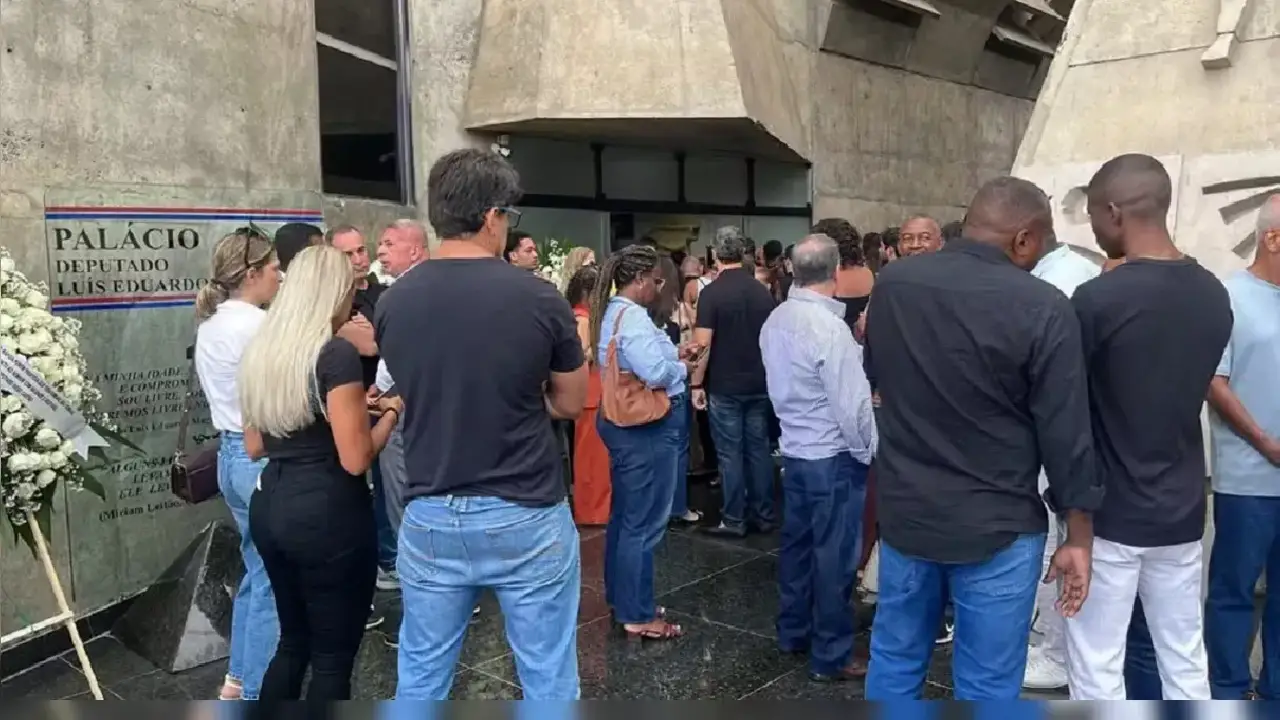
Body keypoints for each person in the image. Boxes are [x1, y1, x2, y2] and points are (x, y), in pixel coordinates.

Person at [864, 176, 1101, 701]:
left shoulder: (895, 285)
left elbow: (878, 375)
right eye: (1043, 242)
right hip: (1000, 526)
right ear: (1023, 238)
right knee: (989, 682)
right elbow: (1066, 432)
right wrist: (1078, 533)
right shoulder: (1043, 306)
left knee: (896, 660)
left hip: (907, 515)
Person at [377, 149, 587, 699]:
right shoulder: (539, 298)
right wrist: (519, 393)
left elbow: (417, 384)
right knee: (546, 674)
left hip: (429, 511)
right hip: (525, 508)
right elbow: (570, 402)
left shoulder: (394, 303)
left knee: (421, 677)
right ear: (493, 216)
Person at [1063, 153, 1231, 700]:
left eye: (1092, 216)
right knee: (1184, 657)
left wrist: (1075, 522)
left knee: (1096, 665)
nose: (1093, 227)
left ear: (1113, 211)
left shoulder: (1096, 300)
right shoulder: (1213, 294)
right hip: (1181, 510)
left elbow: (1074, 415)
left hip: (1109, 514)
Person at [238, 245, 402, 701]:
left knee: (292, 642)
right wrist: (389, 414)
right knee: (332, 658)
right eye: (350, 288)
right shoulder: (335, 355)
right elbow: (355, 458)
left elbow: (255, 444)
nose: (354, 300)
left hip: (270, 503)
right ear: (333, 293)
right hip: (328, 512)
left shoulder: (263, 350)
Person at [760, 234, 877, 683]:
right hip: (833, 456)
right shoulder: (830, 329)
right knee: (835, 558)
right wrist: (867, 450)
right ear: (837, 274)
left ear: (792, 269)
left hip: (795, 449)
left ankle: (793, 631)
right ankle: (831, 653)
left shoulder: (777, 319)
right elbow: (852, 407)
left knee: (797, 548)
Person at [193, 228, 281, 701]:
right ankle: (255, 692)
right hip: (259, 457)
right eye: (272, 268)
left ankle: (239, 678)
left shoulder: (210, 322)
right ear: (251, 274)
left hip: (231, 454)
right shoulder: (256, 325)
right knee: (273, 581)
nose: (279, 276)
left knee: (257, 571)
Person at [589, 244, 690, 640]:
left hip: (619, 421)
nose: (659, 288)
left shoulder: (612, 311)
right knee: (644, 523)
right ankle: (637, 612)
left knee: (626, 518)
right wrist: (680, 366)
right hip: (644, 425)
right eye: (657, 281)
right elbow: (655, 371)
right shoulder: (632, 318)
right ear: (640, 279)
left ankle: (624, 596)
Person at [1205, 194, 1280, 700]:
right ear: (1273, 238)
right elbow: (1214, 381)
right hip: (1248, 480)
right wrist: (1266, 443)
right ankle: (1229, 691)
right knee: (1233, 593)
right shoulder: (1227, 297)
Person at [1020, 235, 1102, 691]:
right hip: (1063, 432)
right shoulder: (1062, 273)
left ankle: (1057, 654)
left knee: (1060, 548)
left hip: (1058, 435)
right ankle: (1054, 644)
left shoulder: (1058, 282)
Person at [691, 226, 778, 538]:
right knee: (759, 451)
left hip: (725, 385)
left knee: (730, 453)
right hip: (760, 381)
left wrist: (696, 384)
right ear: (742, 253)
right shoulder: (761, 292)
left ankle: (734, 518)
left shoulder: (711, 293)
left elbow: (703, 344)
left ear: (715, 254)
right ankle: (765, 516)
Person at [326, 225, 396, 593]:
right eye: (348, 254)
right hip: (350, 406)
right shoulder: (334, 302)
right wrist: (372, 338)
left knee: (389, 487)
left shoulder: (383, 293)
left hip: (384, 401)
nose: (359, 258)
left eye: (361, 250)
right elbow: (369, 347)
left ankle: (388, 558)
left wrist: (375, 338)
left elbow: (383, 343)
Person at [649, 255, 701, 527]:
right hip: (676, 385)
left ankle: (658, 506)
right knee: (678, 452)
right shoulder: (676, 309)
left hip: (652, 391)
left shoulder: (642, 311)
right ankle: (678, 507)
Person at [564, 265, 611, 527]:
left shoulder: (579, 316)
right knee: (592, 459)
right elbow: (582, 356)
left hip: (591, 393)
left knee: (593, 457)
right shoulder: (582, 319)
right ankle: (593, 511)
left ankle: (595, 508)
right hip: (590, 393)